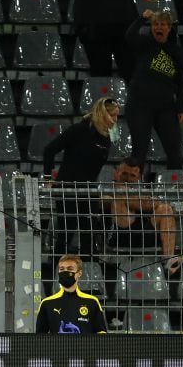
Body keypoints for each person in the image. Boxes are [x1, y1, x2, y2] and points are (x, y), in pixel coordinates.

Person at [42, 97, 121, 254]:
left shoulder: (107, 136)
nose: (115, 120)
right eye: (112, 115)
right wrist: (47, 178)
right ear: (102, 114)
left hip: (89, 190)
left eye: (117, 115)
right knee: (66, 232)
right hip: (68, 188)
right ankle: (56, 270)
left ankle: (90, 272)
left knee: (89, 233)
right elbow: (49, 150)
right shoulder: (78, 130)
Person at [125, 9, 183, 169]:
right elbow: (129, 36)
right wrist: (141, 18)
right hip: (139, 105)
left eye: (163, 24)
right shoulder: (144, 44)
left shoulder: (176, 51)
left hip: (166, 107)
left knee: (174, 151)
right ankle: (134, 192)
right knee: (139, 151)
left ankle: (175, 190)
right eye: (156, 24)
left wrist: (181, 107)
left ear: (169, 28)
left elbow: (181, 81)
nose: (159, 27)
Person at [106, 158, 183, 276]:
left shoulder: (140, 193)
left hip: (144, 234)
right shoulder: (112, 189)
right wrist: (154, 202)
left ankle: (169, 262)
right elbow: (141, 204)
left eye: (132, 175)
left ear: (138, 178)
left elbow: (147, 204)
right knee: (123, 194)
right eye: (124, 173)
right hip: (122, 236)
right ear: (116, 173)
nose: (128, 178)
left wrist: (161, 205)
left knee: (165, 209)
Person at [36, 254, 107, 334]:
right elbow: (39, 338)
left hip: (84, 346)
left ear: (79, 273)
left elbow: (101, 334)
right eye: (62, 269)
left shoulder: (92, 302)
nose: (65, 272)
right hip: (57, 347)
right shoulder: (47, 303)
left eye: (70, 269)